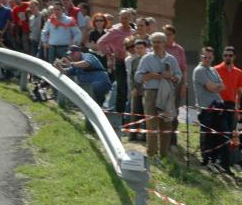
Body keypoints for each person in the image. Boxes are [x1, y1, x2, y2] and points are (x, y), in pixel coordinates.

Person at [135, 32, 182, 160]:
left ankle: (164, 154)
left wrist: (172, 77)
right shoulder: (146, 59)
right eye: (154, 42)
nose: (156, 44)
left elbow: (179, 76)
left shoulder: (171, 59)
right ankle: (151, 154)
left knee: (166, 124)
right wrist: (151, 75)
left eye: (159, 42)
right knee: (152, 124)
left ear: (164, 42)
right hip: (151, 93)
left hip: (167, 93)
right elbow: (138, 77)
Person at [192, 46, 227, 170]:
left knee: (218, 135)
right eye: (204, 56)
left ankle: (214, 159)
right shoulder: (199, 70)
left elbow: (223, 86)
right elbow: (210, 87)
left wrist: (215, 86)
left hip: (217, 107)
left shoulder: (213, 70)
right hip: (206, 108)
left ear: (213, 58)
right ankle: (206, 160)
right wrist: (215, 86)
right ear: (201, 56)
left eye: (209, 57)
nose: (207, 59)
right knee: (207, 135)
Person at [96, 9, 134, 114]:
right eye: (121, 18)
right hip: (120, 62)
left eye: (126, 18)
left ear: (130, 18)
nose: (123, 20)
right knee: (121, 88)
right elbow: (100, 42)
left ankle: (128, 112)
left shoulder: (133, 31)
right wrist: (110, 54)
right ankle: (119, 113)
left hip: (132, 62)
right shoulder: (115, 30)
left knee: (131, 88)